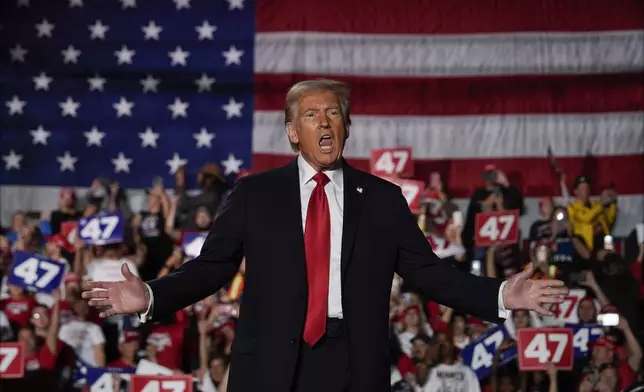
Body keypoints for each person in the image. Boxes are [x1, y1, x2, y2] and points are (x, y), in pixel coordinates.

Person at [82, 79, 567, 392]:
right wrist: (150, 294)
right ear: (293, 132)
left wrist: (504, 293)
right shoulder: (254, 194)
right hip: (270, 364)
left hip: (352, 364)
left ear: (347, 126)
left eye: (333, 113)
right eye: (311, 115)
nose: (324, 121)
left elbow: (430, 274)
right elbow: (212, 269)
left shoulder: (382, 198)